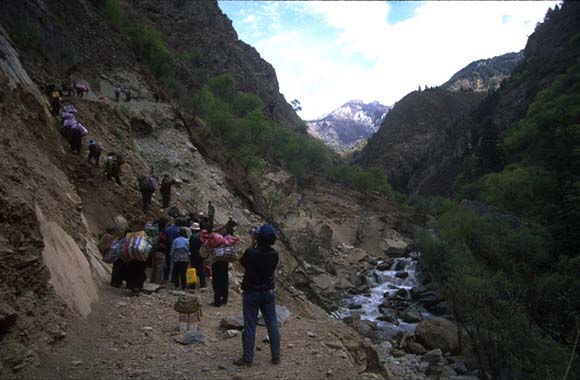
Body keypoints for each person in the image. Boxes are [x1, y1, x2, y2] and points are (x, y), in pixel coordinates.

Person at [234, 224, 281, 367]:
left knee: (250, 325)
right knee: (272, 324)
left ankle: (248, 359)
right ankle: (276, 356)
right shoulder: (274, 254)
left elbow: (242, 263)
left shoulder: (251, 252)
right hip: (268, 292)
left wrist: (252, 245)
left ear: (258, 237)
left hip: (252, 292)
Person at [189, 223, 205, 288]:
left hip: (194, 255)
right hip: (201, 255)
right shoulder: (201, 236)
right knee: (201, 269)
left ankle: (192, 285)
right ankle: (202, 284)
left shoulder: (193, 236)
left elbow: (190, 245)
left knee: (193, 269)